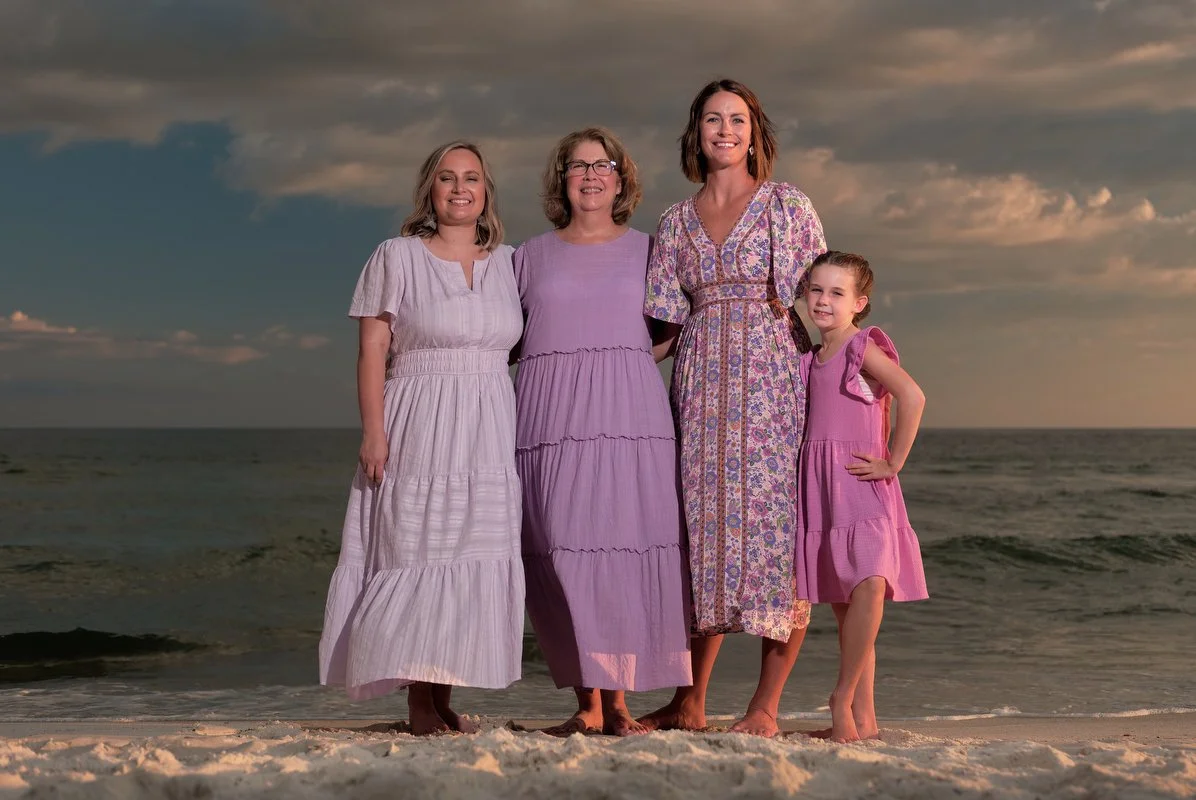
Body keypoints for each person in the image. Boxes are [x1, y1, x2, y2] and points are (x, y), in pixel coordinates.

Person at [318, 141, 525, 735]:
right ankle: (416, 701)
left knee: (469, 553)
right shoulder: (396, 256)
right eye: (446, 178)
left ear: (486, 191)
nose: (460, 189)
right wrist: (374, 432)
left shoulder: (510, 262)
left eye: (472, 179)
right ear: (428, 191)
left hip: (488, 425)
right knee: (416, 548)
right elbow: (372, 350)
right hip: (419, 420)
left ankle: (441, 695)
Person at [642, 79, 826, 737]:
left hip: (775, 387)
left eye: (737, 120)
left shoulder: (785, 204)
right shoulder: (671, 222)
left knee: (779, 540)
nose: (725, 130)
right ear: (696, 132)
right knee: (705, 540)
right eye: (713, 120)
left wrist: (852, 373)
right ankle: (688, 701)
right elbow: (662, 330)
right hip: (698, 392)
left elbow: (821, 299)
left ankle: (764, 708)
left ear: (755, 133)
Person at [514, 127, 692, 736]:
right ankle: (585, 702)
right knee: (561, 549)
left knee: (621, 547)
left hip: (628, 416)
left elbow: (674, 327)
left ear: (622, 179)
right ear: (561, 179)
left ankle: (614, 705)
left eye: (603, 164)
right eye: (577, 165)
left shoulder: (651, 250)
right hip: (549, 415)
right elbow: (505, 337)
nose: (590, 174)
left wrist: (627, 360)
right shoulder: (529, 255)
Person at [797, 250, 929, 743]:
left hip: (863, 481)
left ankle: (840, 698)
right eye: (816, 290)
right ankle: (865, 719)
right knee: (850, 608)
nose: (824, 301)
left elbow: (913, 397)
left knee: (872, 584)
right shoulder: (811, 358)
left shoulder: (859, 348)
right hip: (823, 488)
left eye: (836, 292)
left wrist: (893, 461)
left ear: (859, 303)